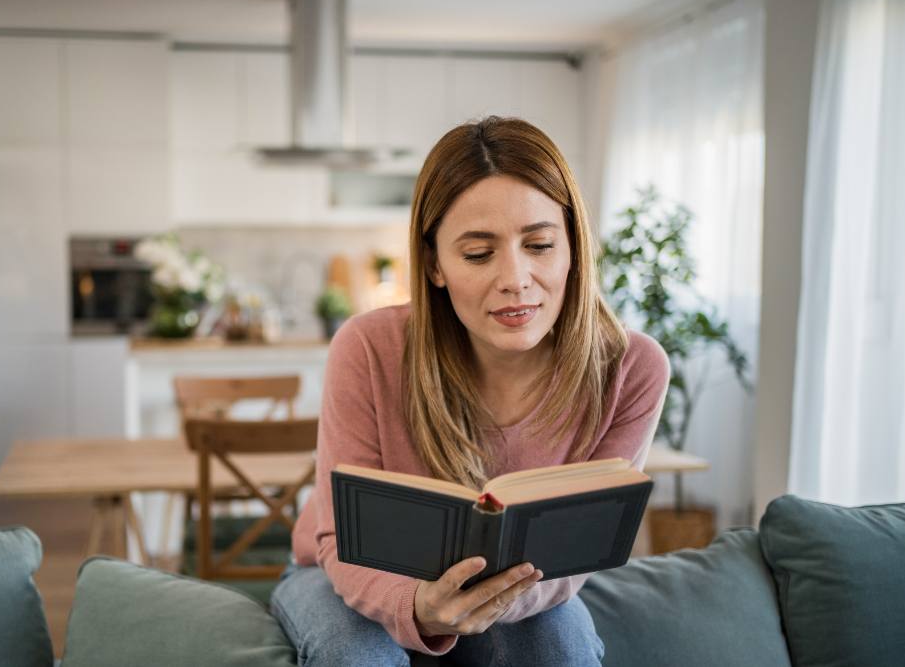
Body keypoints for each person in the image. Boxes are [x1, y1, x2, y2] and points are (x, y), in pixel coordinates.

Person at [270, 116, 671, 667]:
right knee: (355, 654)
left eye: (540, 244)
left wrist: (476, 608)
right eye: (479, 254)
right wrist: (419, 607)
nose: (516, 279)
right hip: (344, 574)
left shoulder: (632, 369)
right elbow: (338, 540)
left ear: (573, 248)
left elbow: (580, 553)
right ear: (434, 264)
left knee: (562, 647)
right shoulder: (366, 348)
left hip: (520, 591)